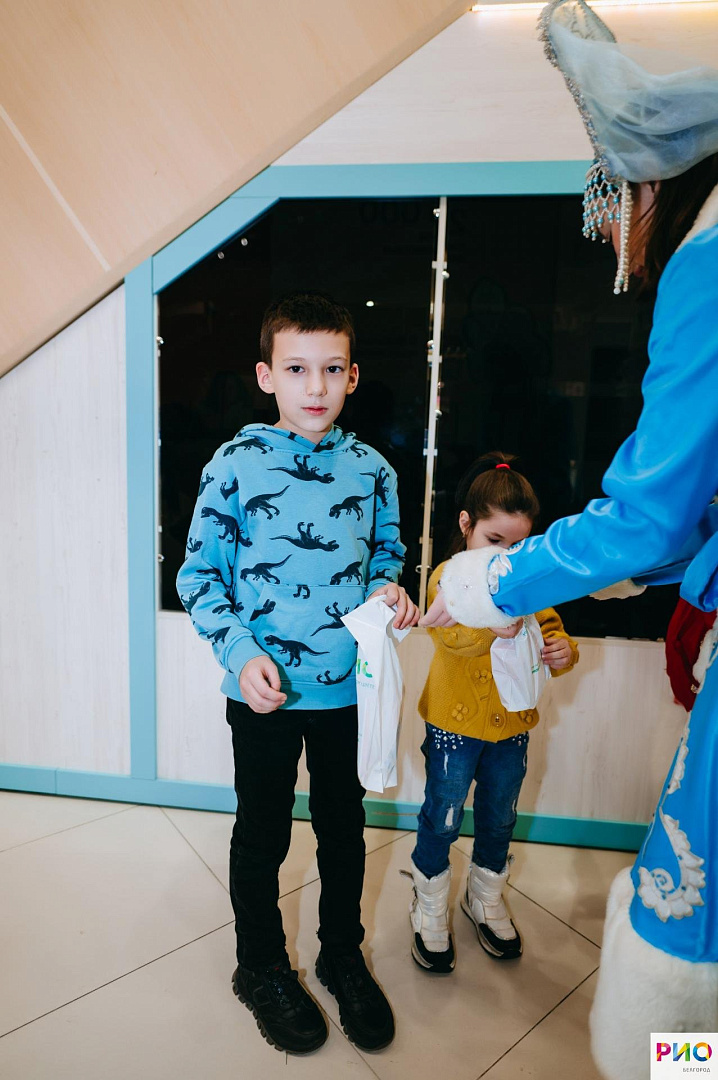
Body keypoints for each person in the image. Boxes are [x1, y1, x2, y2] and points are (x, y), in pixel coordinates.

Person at [421, 3, 718, 1076]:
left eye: (612, 195)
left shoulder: (710, 258)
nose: (615, 229)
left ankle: (678, 1069)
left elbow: (650, 512)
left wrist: (499, 581)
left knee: (687, 952)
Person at [177, 292, 419, 1056]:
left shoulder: (373, 471)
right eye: (296, 369)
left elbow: (385, 558)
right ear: (265, 376)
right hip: (265, 694)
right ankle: (259, 965)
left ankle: (341, 955)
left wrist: (391, 592)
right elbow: (198, 578)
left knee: (345, 829)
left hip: (348, 691)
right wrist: (240, 653)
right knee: (263, 832)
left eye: (332, 369)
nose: (316, 386)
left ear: (353, 376)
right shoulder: (234, 466)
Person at [407, 454, 578, 973]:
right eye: (493, 540)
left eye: (518, 545)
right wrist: (488, 626)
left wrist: (563, 650)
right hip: (453, 726)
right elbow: (447, 635)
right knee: (443, 815)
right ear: (466, 524)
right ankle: (428, 902)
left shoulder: (524, 581)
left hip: (511, 726)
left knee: (500, 815)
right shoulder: (449, 577)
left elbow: (550, 627)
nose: (505, 555)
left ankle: (484, 896)